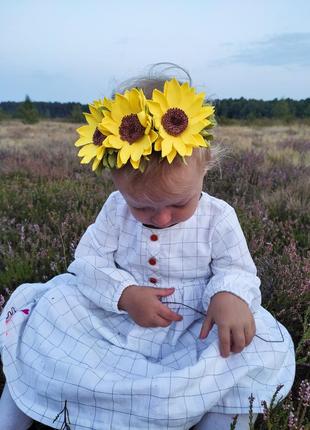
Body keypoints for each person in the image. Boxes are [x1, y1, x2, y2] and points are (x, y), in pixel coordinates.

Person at [0, 72, 295, 430]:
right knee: (46, 316)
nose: (162, 218)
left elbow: (238, 268)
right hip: (119, 320)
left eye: (179, 203)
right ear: (117, 183)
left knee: (249, 346)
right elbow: (89, 261)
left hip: (195, 325)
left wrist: (229, 294)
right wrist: (123, 294)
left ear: (207, 166)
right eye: (142, 208)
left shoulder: (218, 217)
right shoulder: (115, 209)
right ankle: (20, 405)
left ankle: (217, 419)